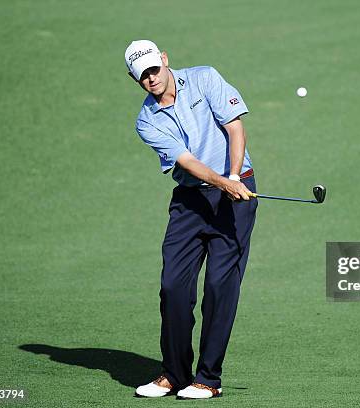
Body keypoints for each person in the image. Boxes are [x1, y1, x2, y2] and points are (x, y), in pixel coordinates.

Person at [124, 40, 258, 400]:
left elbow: (234, 128)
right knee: (173, 286)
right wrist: (220, 181)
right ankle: (174, 374)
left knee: (219, 286)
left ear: (164, 60)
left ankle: (207, 379)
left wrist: (232, 176)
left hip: (237, 192)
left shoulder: (204, 78)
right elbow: (186, 162)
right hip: (190, 200)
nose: (151, 78)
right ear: (135, 79)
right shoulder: (146, 121)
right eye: (143, 76)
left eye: (154, 69)